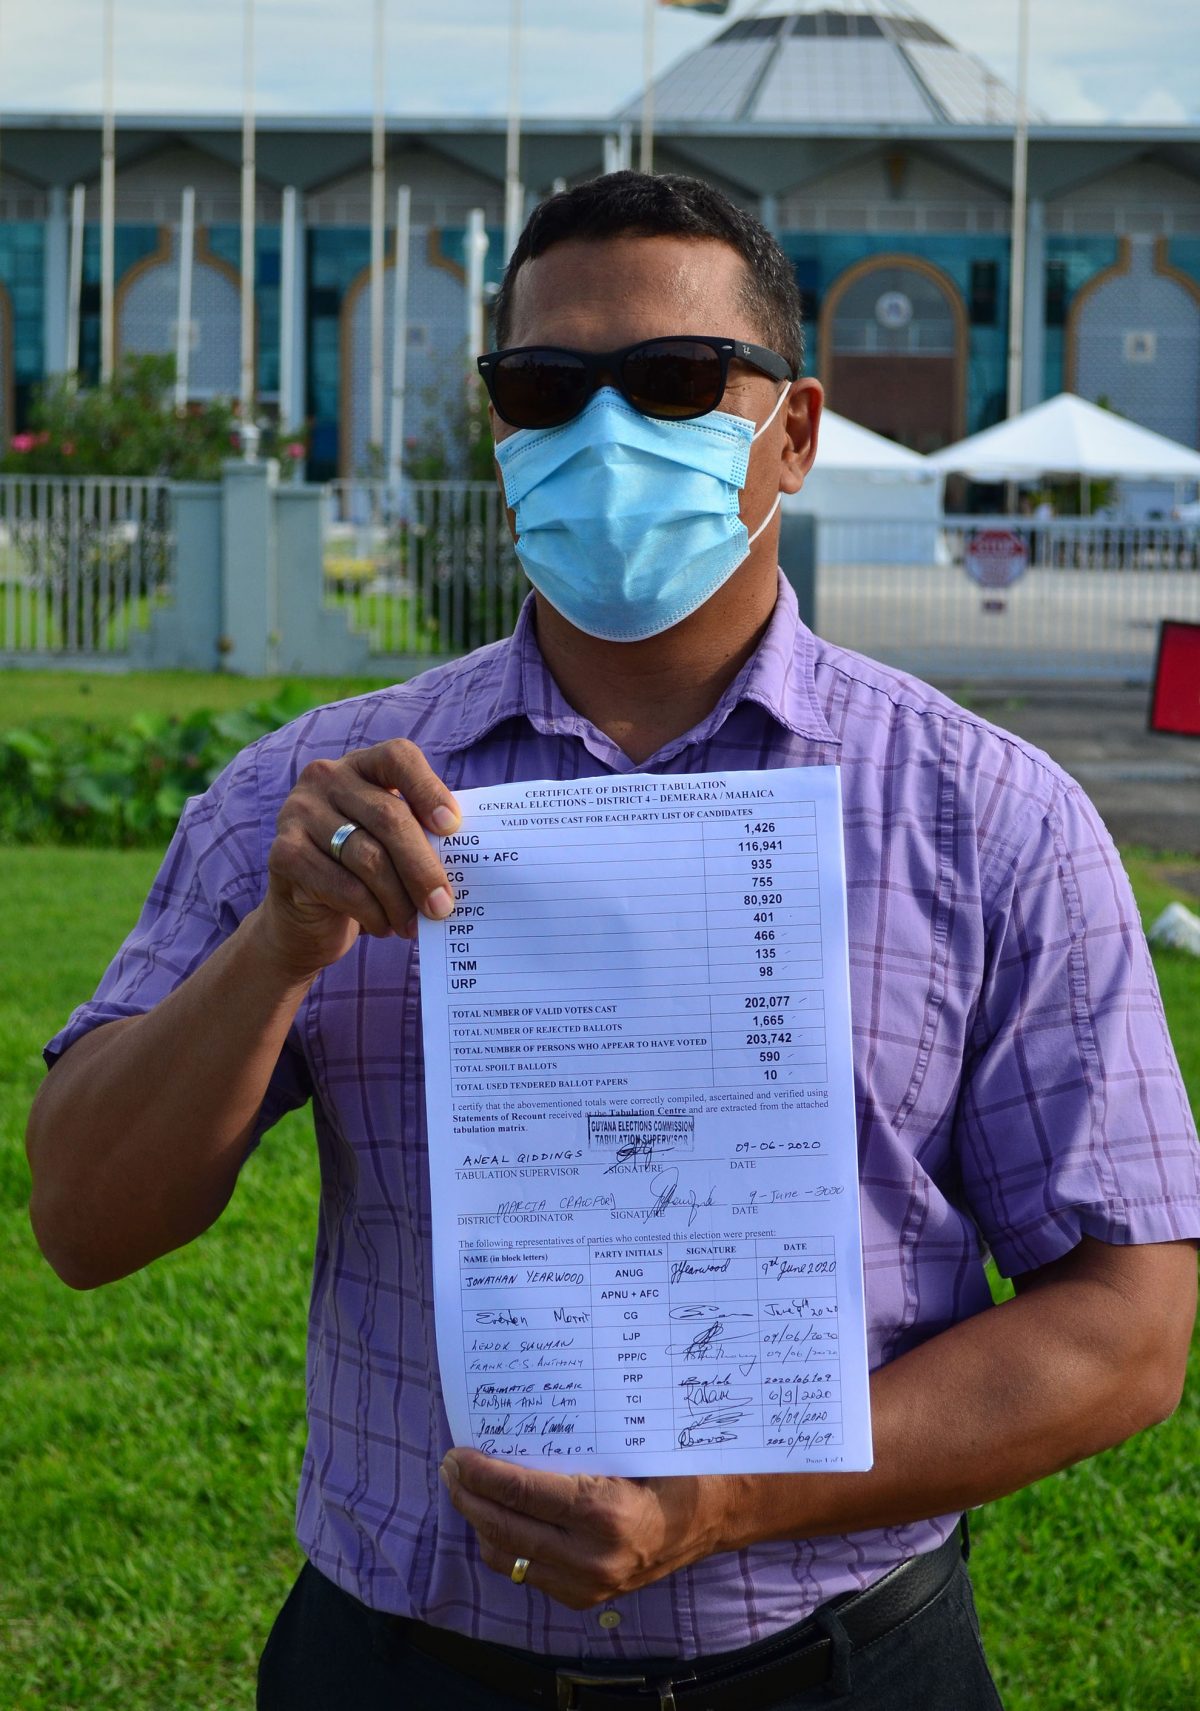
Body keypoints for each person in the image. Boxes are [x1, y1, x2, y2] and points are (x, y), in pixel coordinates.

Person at [26, 173, 1199, 1711]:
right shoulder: (316, 798)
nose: (603, 435)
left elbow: (1130, 1325)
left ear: (793, 431)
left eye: (671, 382)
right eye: (543, 388)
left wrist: (729, 1503)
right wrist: (274, 949)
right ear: (499, 430)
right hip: (402, 1665)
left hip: (839, 1663)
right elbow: (86, 1219)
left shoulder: (984, 817)